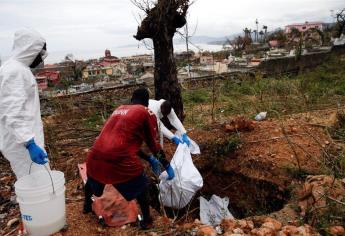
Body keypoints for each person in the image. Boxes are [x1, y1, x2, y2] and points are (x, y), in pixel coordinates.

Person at [84, 88, 175, 229]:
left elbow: (124, 143)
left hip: (94, 156)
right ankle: (146, 221)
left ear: (132, 100)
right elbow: (154, 145)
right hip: (119, 161)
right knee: (142, 187)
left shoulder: (119, 109)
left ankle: (86, 205)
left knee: (93, 182)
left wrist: (148, 158)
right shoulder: (146, 112)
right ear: (146, 102)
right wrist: (167, 165)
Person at [0, 28, 49, 179]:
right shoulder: (14, 71)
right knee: (36, 186)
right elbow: (13, 112)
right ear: (29, 49)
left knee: (39, 186)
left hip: (25, 142)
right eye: (39, 53)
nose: (41, 58)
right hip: (23, 147)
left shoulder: (18, 68)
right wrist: (29, 143)